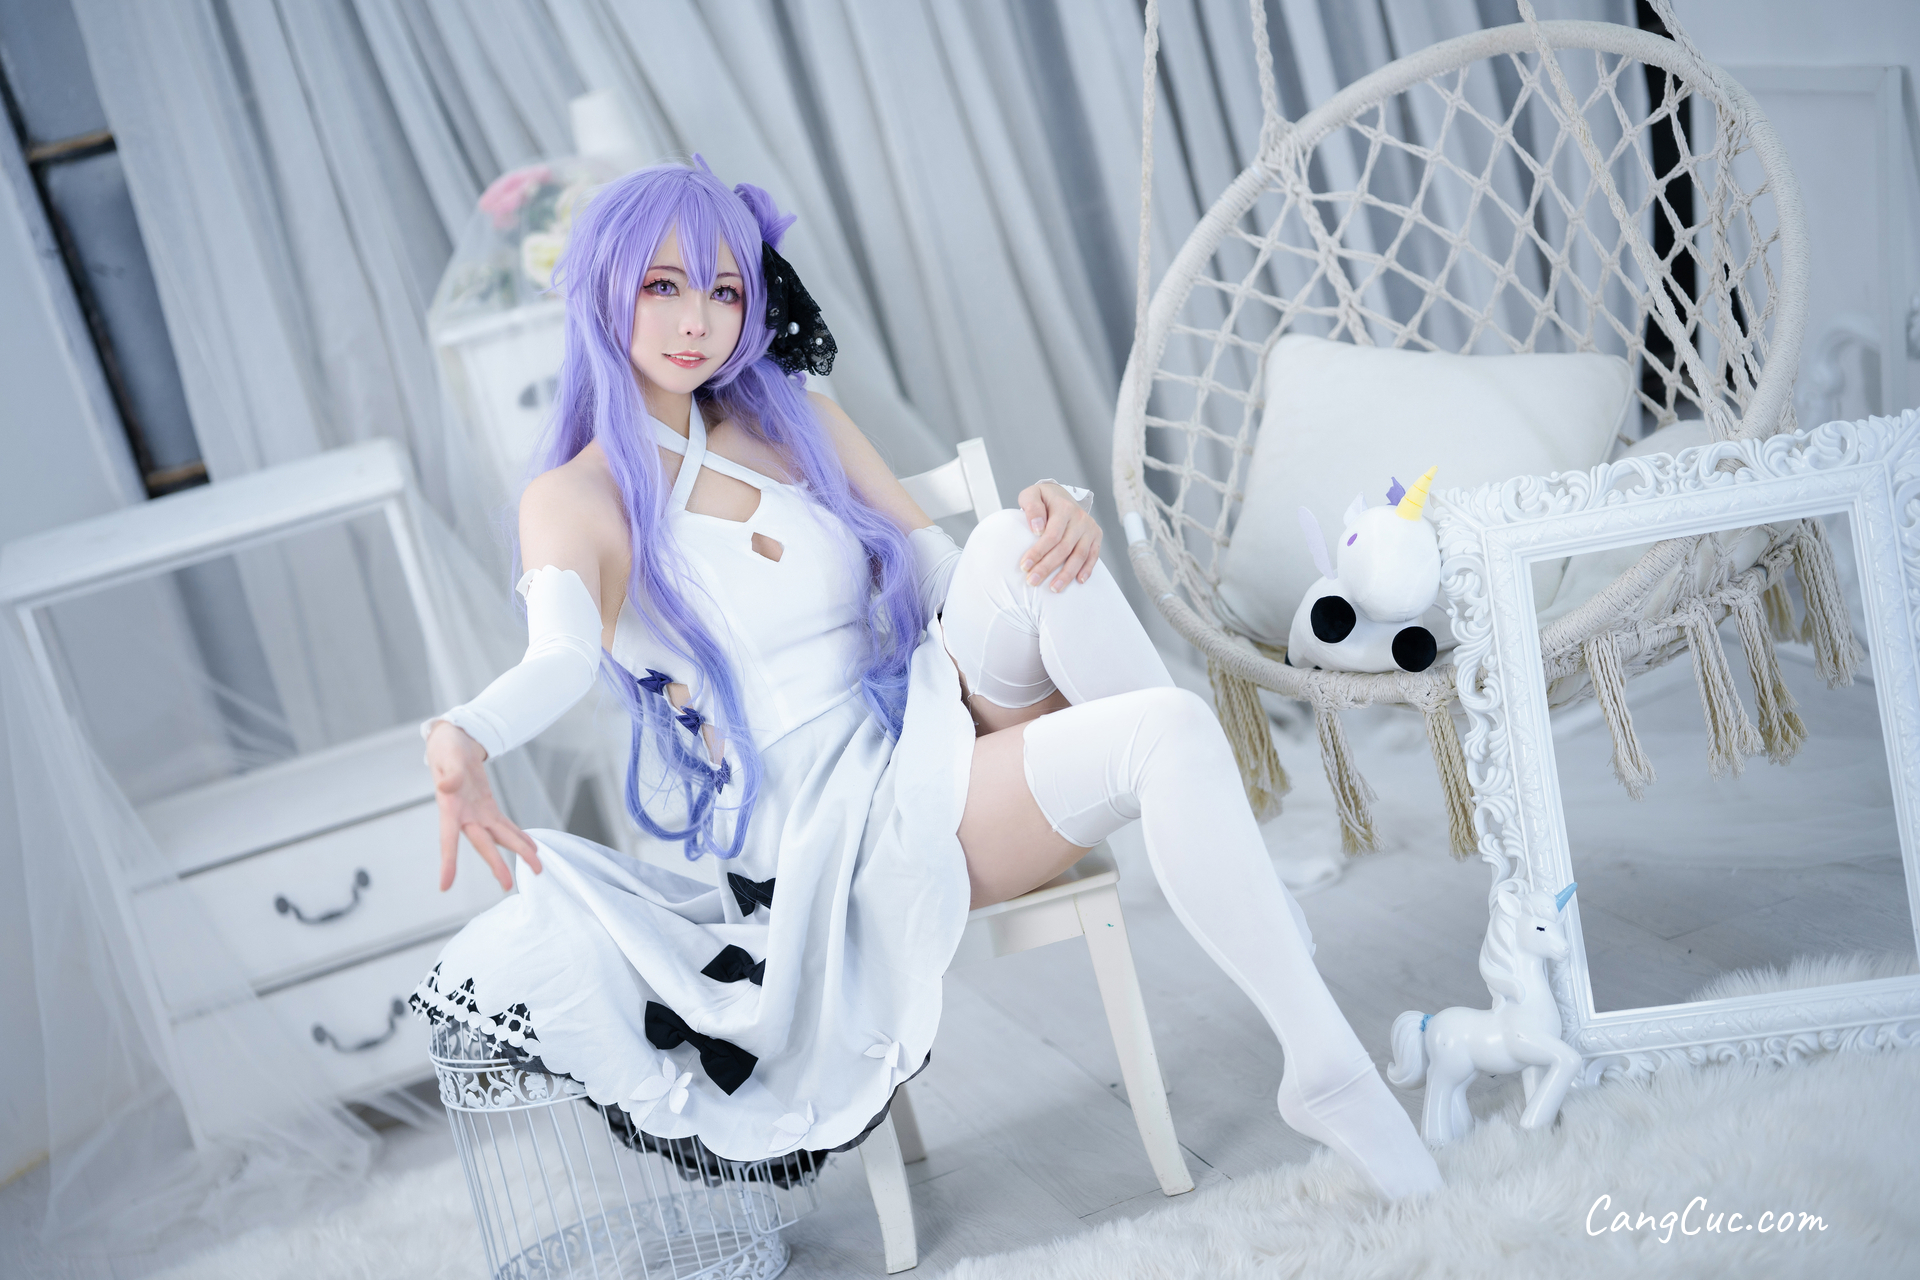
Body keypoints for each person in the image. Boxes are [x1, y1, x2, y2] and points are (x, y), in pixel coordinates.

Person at [409, 159, 1442, 1201]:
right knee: (1168, 728)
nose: (698, 320)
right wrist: (466, 731)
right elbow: (558, 659)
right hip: (835, 832)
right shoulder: (576, 498)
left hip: (917, 720)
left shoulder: (790, 418)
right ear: (605, 286)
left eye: (724, 289)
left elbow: (941, 574)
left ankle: (1295, 998)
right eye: (662, 285)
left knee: (1011, 538)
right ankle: (1328, 1065)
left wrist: (1049, 527)